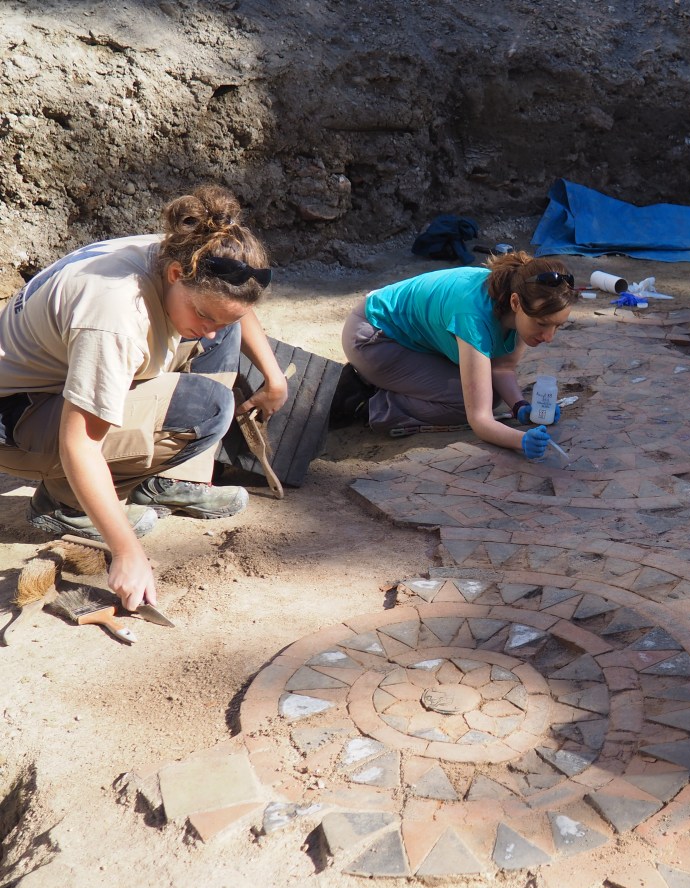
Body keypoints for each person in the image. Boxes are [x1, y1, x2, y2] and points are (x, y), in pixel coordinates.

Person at [0, 184, 289, 611]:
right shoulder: (116, 316)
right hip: (20, 419)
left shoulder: (189, 253)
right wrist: (127, 551)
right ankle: (67, 503)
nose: (209, 329)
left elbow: (229, 307)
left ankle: (172, 481)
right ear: (174, 276)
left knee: (220, 329)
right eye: (202, 315)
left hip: (56, 385)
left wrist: (274, 376)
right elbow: (80, 444)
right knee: (206, 409)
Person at [339, 251, 577, 460]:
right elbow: (480, 420)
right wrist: (520, 440)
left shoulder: (516, 297)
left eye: (558, 326)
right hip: (373, 337)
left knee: (489, 395)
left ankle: (391, 384)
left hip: (408, 339)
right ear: (515, 303)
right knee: (464, 403)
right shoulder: (473, 317)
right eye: (542, 324)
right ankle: (368, 403)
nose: (549, 337)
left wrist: (520, 406)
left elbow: (501, 368)